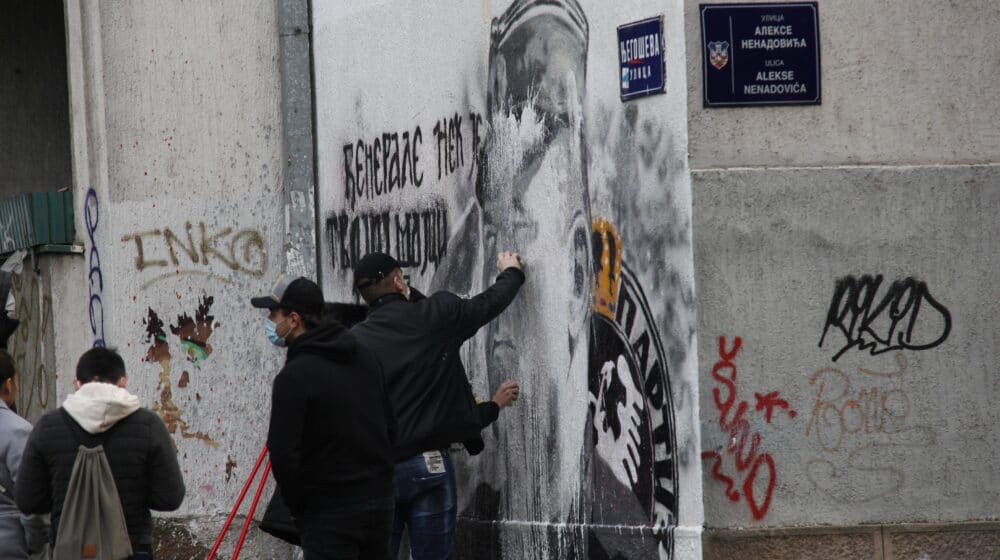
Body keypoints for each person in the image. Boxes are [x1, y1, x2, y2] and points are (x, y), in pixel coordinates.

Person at [351, 250, 524, 560]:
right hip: (428, 467)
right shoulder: (434, 317)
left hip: (377, 474)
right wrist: (511, 271)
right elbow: (488, 304)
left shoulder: (354, 342)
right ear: (398, 281)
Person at [253, 275, 395, 560]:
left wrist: (302, 509)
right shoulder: (365, 357)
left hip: (328, 514)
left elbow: (282, 454)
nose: (269, 320)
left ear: (294, 319)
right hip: (378, 507)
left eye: (273, 313)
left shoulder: (293, 377)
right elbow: (390, 427)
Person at [16, 346, 184, 558]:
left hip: (70, 550)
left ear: (77, 383)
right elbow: (170, 498)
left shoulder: (48, 426)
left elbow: (28, 501)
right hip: (131, 549)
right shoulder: (148, 425)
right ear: (123, 381)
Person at [0, 350, 46, 559]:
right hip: (9, 542)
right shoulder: (18, 430)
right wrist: (36, 545)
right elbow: (31, 501)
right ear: (8, 385)